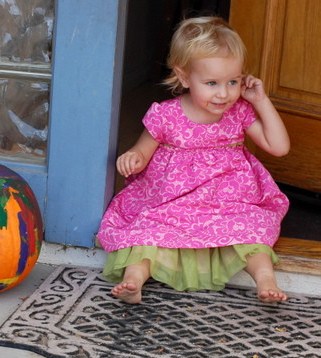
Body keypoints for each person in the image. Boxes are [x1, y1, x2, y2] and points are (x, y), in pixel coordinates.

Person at [97, 16, 290, 304]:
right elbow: (142, 152)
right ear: (185, 77)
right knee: (148, 231)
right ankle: (133, 279)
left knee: (252, 227)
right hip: (172, 203)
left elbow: (279, 147)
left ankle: (265, 280)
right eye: (212, 82)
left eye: (233, 81)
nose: (224, 93)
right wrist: (133, 158)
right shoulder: (166, 114)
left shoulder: (238, 111)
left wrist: (260, 100)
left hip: (229, 204)